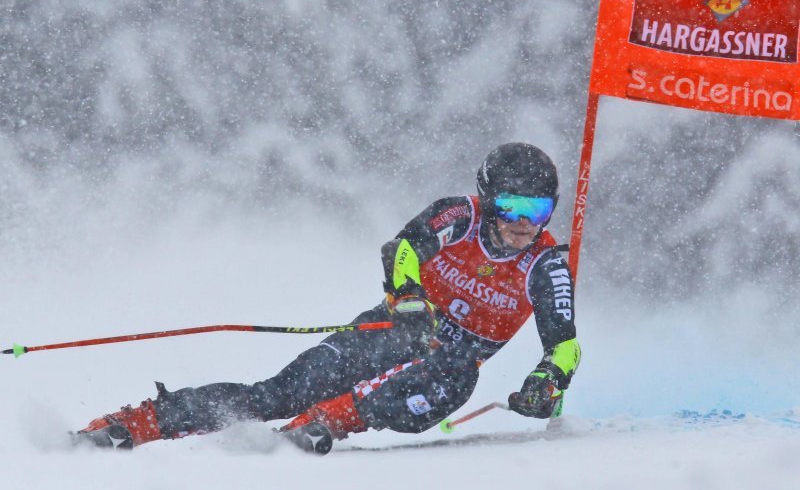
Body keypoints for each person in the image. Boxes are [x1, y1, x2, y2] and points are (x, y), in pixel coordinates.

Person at [74, 142, 581, 454]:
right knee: (273, 395)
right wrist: (407, 297)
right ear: (489, 199)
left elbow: (564, 345)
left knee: (455, 370)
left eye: (538, 210)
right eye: (512, 206)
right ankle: (139, 422)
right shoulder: (461, 217)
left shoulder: (546, 263)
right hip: (393, 330)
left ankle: (319, 427)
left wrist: (546, 381)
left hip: (447, 368)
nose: (522, 223)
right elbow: (403, 246)